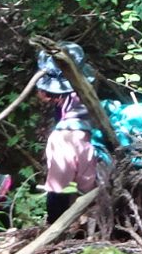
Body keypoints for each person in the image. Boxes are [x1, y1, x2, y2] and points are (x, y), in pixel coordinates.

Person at [35, 46, 104, 224]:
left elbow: (58, 188)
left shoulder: (64, 136)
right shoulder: (98, 109)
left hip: (100, 205)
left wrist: (53, 225)